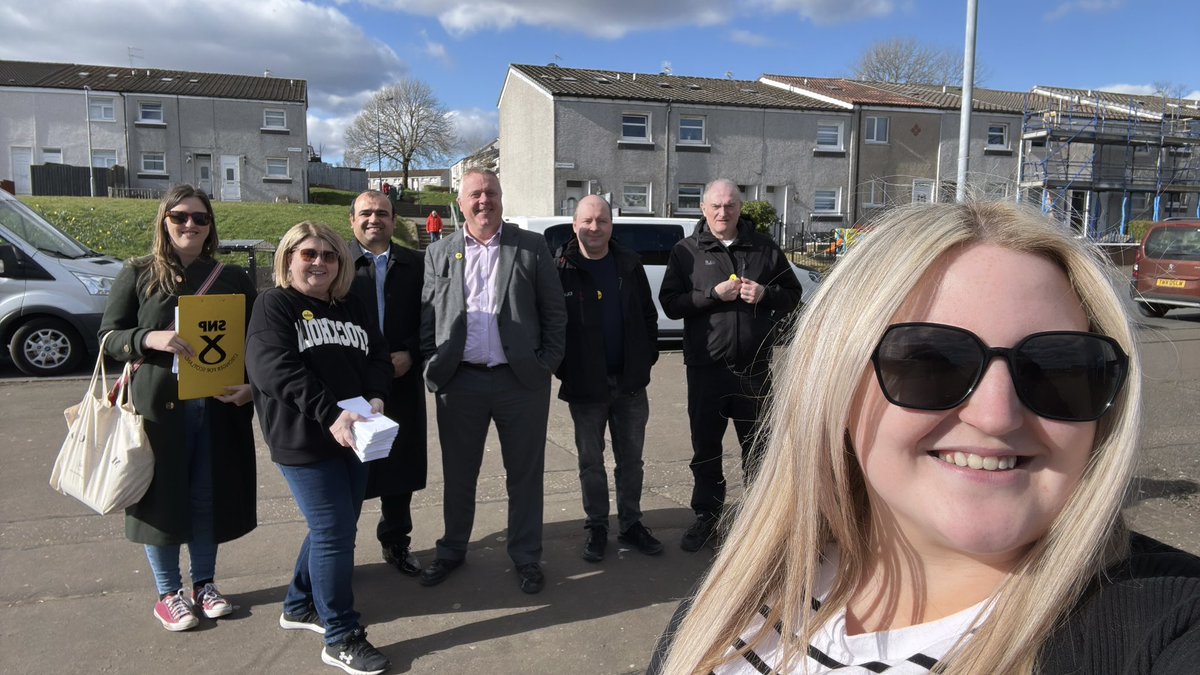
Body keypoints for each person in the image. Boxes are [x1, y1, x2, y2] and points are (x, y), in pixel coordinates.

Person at [650, 201, 1200, 674]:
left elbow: (786, 295)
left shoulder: (1164, 621)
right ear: (834, 382)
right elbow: (672, 303)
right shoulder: (741, 589)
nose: (996, 415)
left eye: (1058, 368)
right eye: (930, 362)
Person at [99, 184, 257, 632]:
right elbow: (109, 338)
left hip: (217, 406)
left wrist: (250, 386)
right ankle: (168, 593)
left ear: (211, 227)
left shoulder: (231, 277)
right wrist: (149, 338)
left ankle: (203, 584)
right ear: (164, 222)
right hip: (158, 409)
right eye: (180, 217)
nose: (190, 225)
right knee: (162, 501)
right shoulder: (139, 273)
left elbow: (255, 343)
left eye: (200, 218)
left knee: (207, 497)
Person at [246, 221, 393, 675]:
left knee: (337, 524)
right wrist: (330, 412)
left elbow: (376, 357)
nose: (319, 262)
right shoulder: (274, 305)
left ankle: (298, 604)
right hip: (304, 439)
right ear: (288, 259)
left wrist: (375, 397)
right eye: (308, 254)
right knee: (334, 533)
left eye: (328, 256)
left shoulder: (352, 304)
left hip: (355, 437)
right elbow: (273, 367)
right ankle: (341, 635)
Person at [419, 168, 566, 594]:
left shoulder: (531, 247)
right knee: (459, 473)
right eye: (475, 194)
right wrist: (433, 364)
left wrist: (546, 365)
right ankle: (452, 549)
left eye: (491, 193)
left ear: (501, 198)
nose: (484, 201)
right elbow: (428, 314)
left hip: (520, 383)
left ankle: (526, 556)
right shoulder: (440, 252)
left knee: (524, 474)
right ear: (460, 202)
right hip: (459, 382)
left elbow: (555, 313)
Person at [659, 178, 802, 553]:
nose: (723, 213)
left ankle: (758, 523)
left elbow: (794, 297)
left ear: (741, 209)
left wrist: (766, 294)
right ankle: (707, 518)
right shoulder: (686, 251)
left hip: (754, 369)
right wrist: (712, 294)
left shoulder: (764, 248)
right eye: (716, 206)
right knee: (705, 449)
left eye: (731, 206)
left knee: (758, 450)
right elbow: (671, 304)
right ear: (703, 210)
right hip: (706, 369)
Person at [554, 195, 662, 562]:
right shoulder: (561, 267)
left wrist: (646, 359)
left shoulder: (629, 264)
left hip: (630, 383)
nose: (594, 228)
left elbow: (648, 315)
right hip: (586, 387)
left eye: (602, 220)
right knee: (591, 462)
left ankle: (631, 524)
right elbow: (551, 326)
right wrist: (564, 369)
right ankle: (597, 526)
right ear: (575, 225)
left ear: (611, 225)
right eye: (587, 221)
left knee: (631, 461)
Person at [347, 190, 427, 578]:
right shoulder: (334, 262)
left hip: (401, 378)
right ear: (352, 221)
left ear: (394, 221)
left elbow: (431, 319)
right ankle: (337, 549)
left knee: (399, 466)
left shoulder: (416, 263)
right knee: (347, 468)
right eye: (366, 213)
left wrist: (412, 352)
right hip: (352, 384)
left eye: (382, 213)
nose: (374, 219)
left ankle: (396, 541)